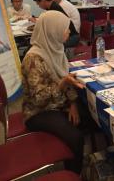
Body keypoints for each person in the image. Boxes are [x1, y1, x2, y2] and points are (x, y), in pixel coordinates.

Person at [21, 11, 93, 173]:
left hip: (59, 103)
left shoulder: (56, 48)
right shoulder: (33, 59)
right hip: (38, 112)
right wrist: (62, 84)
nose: (68, 32)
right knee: (75, 137)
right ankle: (73, 174)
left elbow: (66, 80)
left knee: (93, 115)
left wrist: (73, 103)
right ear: (52, 30)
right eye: (65, 29)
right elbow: (39, 99)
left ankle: (94, 161)